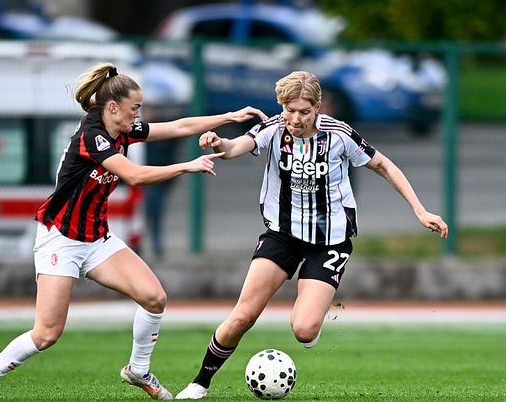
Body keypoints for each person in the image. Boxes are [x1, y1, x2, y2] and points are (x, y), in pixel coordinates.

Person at [0, 63, 266, 402]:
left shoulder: (123, 129)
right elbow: (134, 175)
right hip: (61, 239)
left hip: (96, 239)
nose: (139, 114)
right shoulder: (91, 137)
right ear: (113, 107)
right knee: (47, 333)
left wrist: (229, 115)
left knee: (154, 298)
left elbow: (179, 126)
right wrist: (187, 165)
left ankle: (138, 370)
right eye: (134, 107)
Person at [174, 71, 448, 400]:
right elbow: (237, 146)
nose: (296, 119)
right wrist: (219, 143)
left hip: (329, 241)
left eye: (304, 112)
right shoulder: (273, 128)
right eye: (290, 110)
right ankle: (199, 383)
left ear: (318, 108)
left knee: (303, 330)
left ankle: (312, 318)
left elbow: (384, 165)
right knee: (243, 314)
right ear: (281, 106)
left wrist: (419, 210)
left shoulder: (340, 134)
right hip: (282, 235)